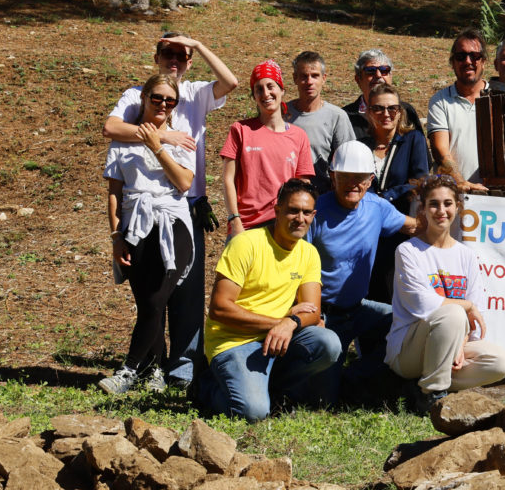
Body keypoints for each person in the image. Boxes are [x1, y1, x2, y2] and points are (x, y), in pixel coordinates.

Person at [103, 32, 237, 388]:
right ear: (157, 56)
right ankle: (153, 366)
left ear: (190, 60)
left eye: (181, 55)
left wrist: (199, 44)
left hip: (185, 202)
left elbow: (231, 82)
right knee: (151, 291)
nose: (174, 60)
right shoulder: (136, 93)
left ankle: (181, 368)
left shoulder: (193, 93)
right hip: (141, 206)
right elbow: (111, 128)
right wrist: (164, 137)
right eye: (168, 53)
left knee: (185, 292)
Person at [197, 179, 342, 421]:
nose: (300, 218)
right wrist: (281, 322)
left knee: (328, 343)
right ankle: (207, 387)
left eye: (307, 212)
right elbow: (220, 309)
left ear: (314, 214)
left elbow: (313, 313)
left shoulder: (308, 253)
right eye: (293, 210)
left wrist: (291, 323)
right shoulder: (246, 244)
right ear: (277, 210)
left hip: (277, 340)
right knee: (252, 413)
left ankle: (273, 390)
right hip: (234, 341)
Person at [100, 74, 196, 394]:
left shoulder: (180, 139)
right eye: (157, 98)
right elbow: (114, 191)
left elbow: (184, 182)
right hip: (134, 224)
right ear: (144, 99)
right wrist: (116, 237)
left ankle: (127, 370)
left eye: (171, 101)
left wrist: (159, 146)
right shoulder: (121, 141)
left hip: (172, 222)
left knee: (157, 298)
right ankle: (153, 370)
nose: (164, 105)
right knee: (146, 303)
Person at [305, 140, 419, 404]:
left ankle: (356, 374)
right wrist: (310, 312)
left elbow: (414, 227)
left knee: (405, 322)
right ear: (333, 177)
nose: (353, 184)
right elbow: (298, 266)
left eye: (360, 178)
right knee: (325, 401)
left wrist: (454, 222)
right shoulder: (316, 212)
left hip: (358, 309)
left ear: (370, 180)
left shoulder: (376, 207)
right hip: (323, 313)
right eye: (345, 177)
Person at [387, 175, 505, 412]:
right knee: (453, 312)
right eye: (433, 204)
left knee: (499, 362)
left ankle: (423, 385)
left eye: (447, 203)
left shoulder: (466, 255)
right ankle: (432, 394)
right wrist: (465, 306)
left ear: (457, 207)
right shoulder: (408, 251)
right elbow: (422, 304)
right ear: (422, 208)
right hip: (408, 351)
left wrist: (460, 345)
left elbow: (477, 313)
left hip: (450, 342)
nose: (441, 210)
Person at [220, 61, 314, 238]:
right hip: (247, 226)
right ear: (254, 96)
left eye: (271, 86)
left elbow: (303, 186)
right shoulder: (240, 130)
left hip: (285, 227)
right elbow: (228, 179)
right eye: (258, 89)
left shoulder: (299, 136)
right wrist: (235, 220)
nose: (266, 93)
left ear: (282, 90)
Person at [360, 82, 431, 303]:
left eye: (392, 108)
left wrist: (384, 199)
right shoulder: (361, 145)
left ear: (400, 112)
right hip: (368, 229)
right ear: (369, 112)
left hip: (401, 226)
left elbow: (419, 180)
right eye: (378, 108)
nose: (386, 114)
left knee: (395, 292)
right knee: (370, 291)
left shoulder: (412, 140)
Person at [285, 51, 356, 195]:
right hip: (282, 195)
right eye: (304, 76)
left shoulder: (336, 117)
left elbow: (349, 160)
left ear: (324, 78)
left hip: (321, 197)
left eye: (315, 76)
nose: (309, 81)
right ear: (295, 78)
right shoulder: (281, 114)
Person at [428, 28, 489, 191]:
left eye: (474, 56)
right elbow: (440, 151)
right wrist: (460, 182)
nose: (468, 61)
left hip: (495, 194)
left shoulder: (498, 97)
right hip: (454, 193)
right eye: (461, 56)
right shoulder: (440, 101)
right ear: (453, 63)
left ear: (483, 61)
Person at [343, 49, 424, 141]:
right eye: (370, 71)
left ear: (391, 76)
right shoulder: (344, 116)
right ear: (358, 79)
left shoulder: (407, 111)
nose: (378, 75)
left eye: (384, 70)